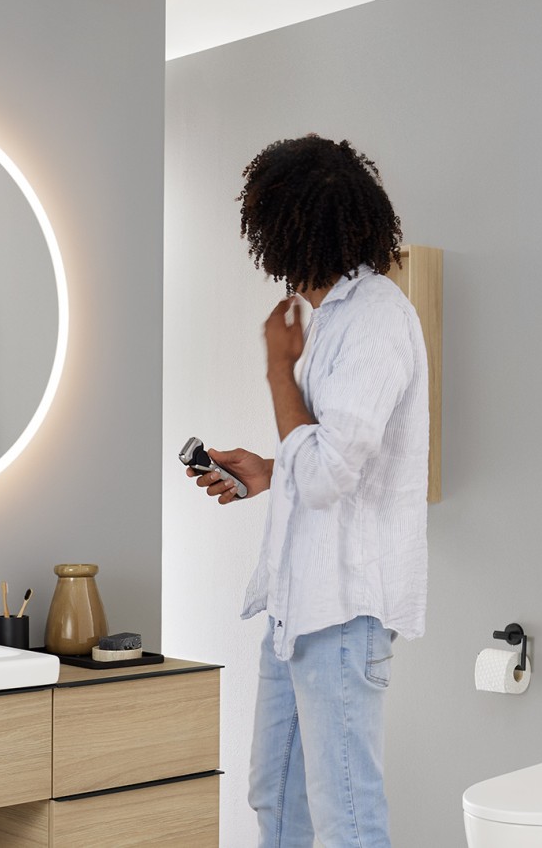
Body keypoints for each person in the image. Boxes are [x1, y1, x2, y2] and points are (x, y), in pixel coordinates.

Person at [188, 135, 428, 847]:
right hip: (297, 610)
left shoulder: (378, 319)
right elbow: (322, 456)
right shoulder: (332, 321)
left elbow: (328, 475)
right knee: (277, 797)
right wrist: (267, 470)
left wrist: (276, 370)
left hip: (343, 615)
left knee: (348, 818)